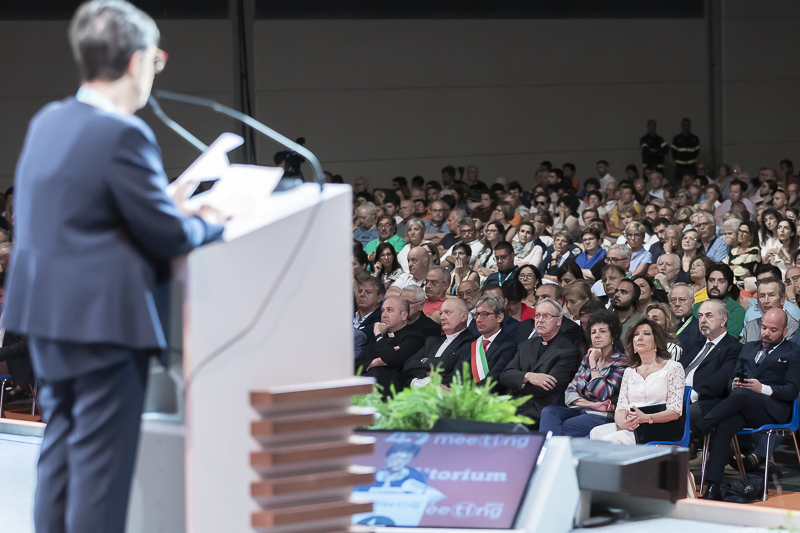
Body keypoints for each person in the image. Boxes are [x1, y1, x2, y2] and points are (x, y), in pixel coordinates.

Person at [4, 3, 226, 532]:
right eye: (157, 59)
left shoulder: (48, 121)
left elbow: (78, 216)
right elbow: (169, 236)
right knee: (101, 471)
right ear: (136, 61)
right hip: (103, 324)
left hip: (47, 318)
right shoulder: (123, 133)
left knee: (62, 452)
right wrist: (208, 220)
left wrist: (161, 203)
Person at [697, 308, 800, 500]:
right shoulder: (748, 347)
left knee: (744, 395)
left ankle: (700, 427)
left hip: (774, 409)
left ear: (785, 331)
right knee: (725, 425)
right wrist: (734, 384)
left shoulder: (794, 352)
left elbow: (792, 390)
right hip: (744, 407)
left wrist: (762, 388)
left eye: (773, 330)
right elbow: (732, 378)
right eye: (764, 328)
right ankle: (713, 486)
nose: (766, 333)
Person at [590, 318, 686, 444]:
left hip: (659, 426)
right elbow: (620, 408)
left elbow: (675, 412)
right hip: (633, 425)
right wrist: (623, 423)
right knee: (596, 432)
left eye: (646, 334)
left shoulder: (673, 368)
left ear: (656, 342)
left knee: (611, 440)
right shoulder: (629, 371)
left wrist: (646, 418)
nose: (639, 338)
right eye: (636, 334)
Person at [540, 310, 628, 437]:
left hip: (602, 416)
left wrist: (593, 365)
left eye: (602, 331)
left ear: (613, 336)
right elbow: (569, 392)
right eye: (593, 332)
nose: (597, 336)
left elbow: (603, 394)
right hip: (582, 410)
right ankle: (549, 447)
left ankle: (548, 448)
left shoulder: (621, 362)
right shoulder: (588, 358)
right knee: (549, 412)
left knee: (562, 427)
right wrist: (593, 405)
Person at [500, 298, 582, 424]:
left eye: (546, 316)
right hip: (517, 403)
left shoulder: (568, 351)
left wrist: (518, 381)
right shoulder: (526, 345)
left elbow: (545, 389)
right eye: (537, 315)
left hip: (541, 408)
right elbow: (505, 376)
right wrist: (528, 376)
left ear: (558, 320)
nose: (540, 320)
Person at [685, 300, 742, 437]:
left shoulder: (733, 348)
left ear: (723, 320)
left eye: (709, 316)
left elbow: (721, 379)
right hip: (678, 395)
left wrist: (691, 394)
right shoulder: (695, 344)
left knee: (680, 414)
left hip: (705, 400)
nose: (703, 320)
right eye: (700, 316)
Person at [441, 295, 517, 390]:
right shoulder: (471, 345)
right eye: (477, 315)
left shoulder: (508, 346)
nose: (478, 320)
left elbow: (493, 381)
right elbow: (456, 374)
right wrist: (442, 386)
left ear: (499, 317)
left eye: (484, 314)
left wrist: (458, 392)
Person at [357, 297, 426, 396]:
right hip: (369, 383)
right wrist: (373, 362)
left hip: (391, 389)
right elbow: (356, 363)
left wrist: (378, 335)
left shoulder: (413, 337)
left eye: (390, 310)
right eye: (382, 310)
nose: (384, 315)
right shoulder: (379, 337)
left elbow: (392, 358)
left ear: (403, 316)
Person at [403, 298, 477, 387]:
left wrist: (424, 361)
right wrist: (426, 373)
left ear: (464, 317)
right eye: (441, 313)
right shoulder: (432, 341)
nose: (442, 317)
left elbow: (452, 367)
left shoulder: (470, 341)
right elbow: (408, 365)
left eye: (448, 312)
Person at [690, 264, 746, 338]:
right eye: (711, 280)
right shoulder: (696, 307)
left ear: (729, 287)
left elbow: (728, 339)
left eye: (721, 281)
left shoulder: (736, 310)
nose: (715, 285)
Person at [741, 277, 800, 343]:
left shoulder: (794, 328)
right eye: (762, 296)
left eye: (771, 295)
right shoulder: (750, 326)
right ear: (758, 301)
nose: (766, 301)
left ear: (782, 300)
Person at [724, 220, 761, 288]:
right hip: (729, 284)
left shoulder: (754, 250)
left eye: (744, 232)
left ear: (751, 235)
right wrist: (736, 266)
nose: (740, 234)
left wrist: (730, 267)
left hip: (743, 286)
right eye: (739, 231)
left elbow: (744, 272)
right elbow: (722, 267)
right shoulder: (733, 251)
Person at [354, 277, 385, 343]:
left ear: (380, 298)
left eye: (368, 292)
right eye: (360, 291)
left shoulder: (381, 320)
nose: (362, 294)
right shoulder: (347, 316)